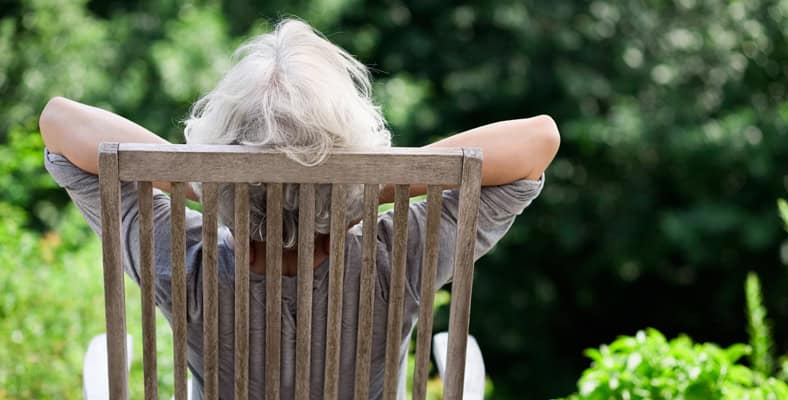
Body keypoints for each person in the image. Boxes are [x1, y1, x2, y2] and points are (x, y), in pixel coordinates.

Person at [40, 18, 559, 400]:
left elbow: (60, 123)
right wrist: (362, 188)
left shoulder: (185, 260)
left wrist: (210, 184)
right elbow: (538, 141)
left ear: (222, 147)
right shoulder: (395, 258)